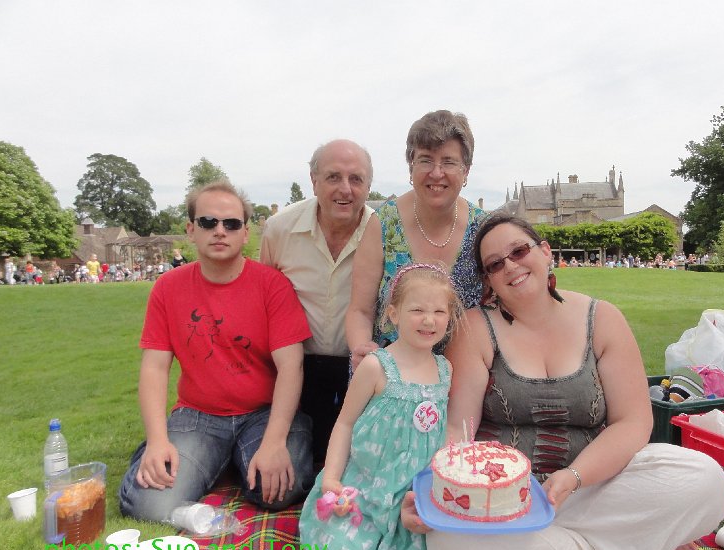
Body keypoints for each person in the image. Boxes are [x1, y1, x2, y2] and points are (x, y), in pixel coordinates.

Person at [401, 213, 724, 550]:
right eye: (495, 264)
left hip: (594, 488)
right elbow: (460, 429)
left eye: (519, 251)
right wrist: (438, 493)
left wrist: (574, 477)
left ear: (545, 252)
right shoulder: (475, 328)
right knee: (450, 549)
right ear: (488, 281)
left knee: (704, 478)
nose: (510, 265)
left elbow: (633, 422)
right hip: (508, 502)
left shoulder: (602, 318)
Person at [119, 180, 315, 522]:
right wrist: (156, 440)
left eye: (231, 224)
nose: (219, 231)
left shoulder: (272, 285)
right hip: (198, 416)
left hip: (263, 413)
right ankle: (209, 459)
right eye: (208, 222)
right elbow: (154, 368)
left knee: (279, 489)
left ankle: (233, 461)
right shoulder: (167, 288)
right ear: (191, 230)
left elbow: (291, 366)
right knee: (149, 505)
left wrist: (275, 440)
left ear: (245, 233)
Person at [300, 263, 464, 550]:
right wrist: (332, 477)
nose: (429, 320)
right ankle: (329, 540)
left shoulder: (445, 370)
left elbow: (441, 431)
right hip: (365, 488)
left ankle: (392, 547)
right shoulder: (377, 366)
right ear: (393, 314)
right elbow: (345, 423)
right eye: (417, 310)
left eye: (438, 311)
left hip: (411, 495)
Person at [260, 139, 375, 464]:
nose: (345, 189)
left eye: (356, 179)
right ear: (314, 180)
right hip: (297, 369)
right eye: (333, 177)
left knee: (353, 467)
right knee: (298, 469)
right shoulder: (279, 230)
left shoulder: (384, 232)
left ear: (368, 185)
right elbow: (263, 301)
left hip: (359, 368)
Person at [346, 110, 486, 371]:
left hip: (465, 378)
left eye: (448, 162)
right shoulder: (384, 223)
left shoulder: (483, 231)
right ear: (411, 166)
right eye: (425, 160)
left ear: (465, 171)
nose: (436, 173)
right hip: (390, 379)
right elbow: (360, 311)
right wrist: (363, 350)